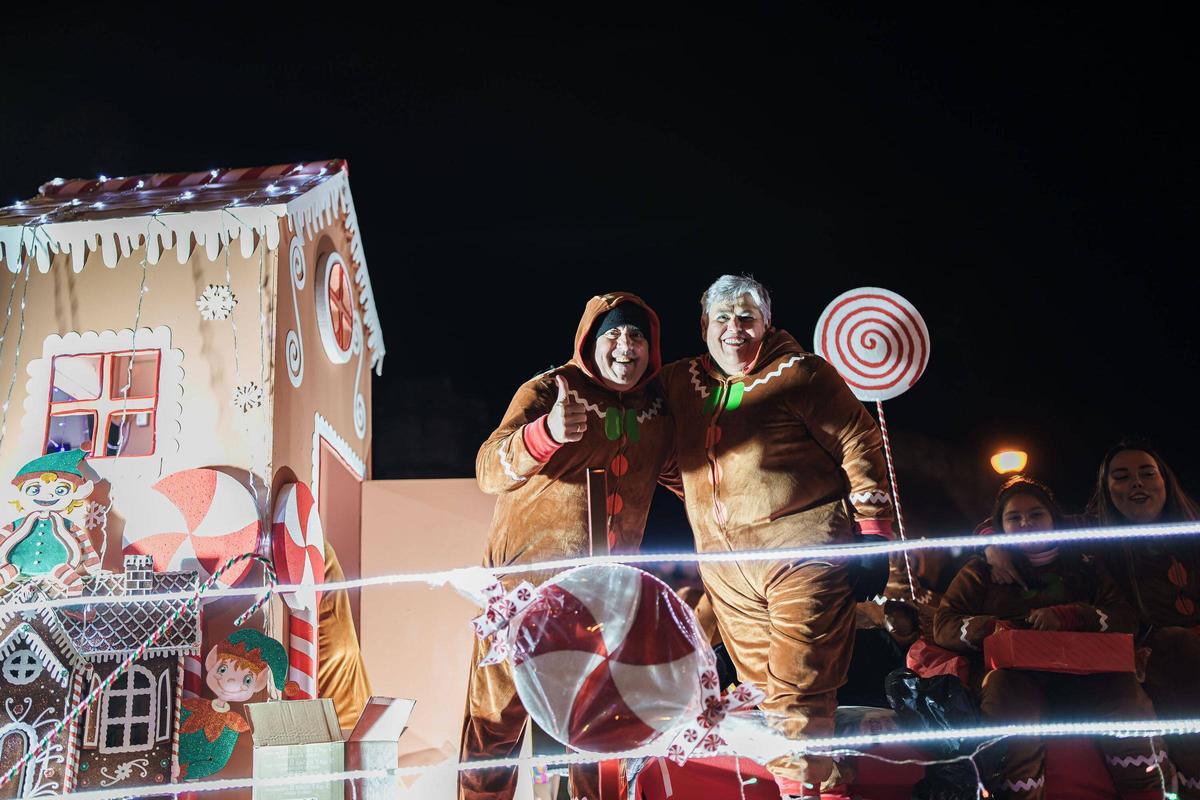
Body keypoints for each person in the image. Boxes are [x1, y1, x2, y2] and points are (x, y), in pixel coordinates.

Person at [659, 275, 893, 800]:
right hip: (727, 573)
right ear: (703, 327)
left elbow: (859, 440)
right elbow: (651, 435)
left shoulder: (802, 373)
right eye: (723, 318)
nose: (734, 329)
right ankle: (826, 789)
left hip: (804, 553)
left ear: (767, 321)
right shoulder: (680, 382)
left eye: (747, 317)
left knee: (797, 694)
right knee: (769, 701)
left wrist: (875, 532)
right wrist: (694, 491)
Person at [460, 292, 673, 800]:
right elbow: (489, 470)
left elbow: (688, 478)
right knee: (496, 727)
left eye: (637, 335)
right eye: (614, 334)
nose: (627, 345)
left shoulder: (659, 412)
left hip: (604, 604)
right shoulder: (548, 389)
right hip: (522, 596)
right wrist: (547, 432)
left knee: (596, 735)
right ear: (589, 341)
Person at [936, 476, 1172, 799]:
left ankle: (1148, 791)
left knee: (1125, 695)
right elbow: (944, 623)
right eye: (1014, 518)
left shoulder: (1085, 565)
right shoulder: (982, 570)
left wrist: (1073, 615)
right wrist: (999, 629)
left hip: (1087, 675)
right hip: (1016, 679)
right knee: (1006, 697)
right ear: (1001, 526)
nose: (1025, 523)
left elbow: (1124, 618)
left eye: (1036, 515)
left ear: (1053, 518)